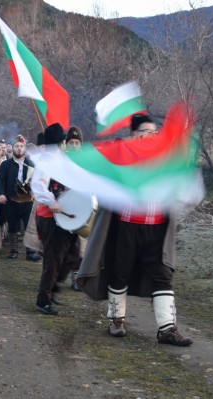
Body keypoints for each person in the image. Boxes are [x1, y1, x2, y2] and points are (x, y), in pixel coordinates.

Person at [77, 114, 193, 346]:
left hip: (157, 230)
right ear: (134, 135)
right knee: (120, 273)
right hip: (126, 227)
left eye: (154, 133)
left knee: (162, 275)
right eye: (144, 133)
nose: (150, 137)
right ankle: (116, 320)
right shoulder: (122, 158)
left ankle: (167, 329)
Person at [31, 123, 81, 315]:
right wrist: (52, 201)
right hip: (50, 217)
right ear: (59, 143)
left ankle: (53, 288)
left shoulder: (61, 160)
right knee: (52, 260)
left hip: (63, 217)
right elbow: (38, 186)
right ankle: (43, 300)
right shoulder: (47, 161)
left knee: (73, 255)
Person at [0, 135, 42, 262]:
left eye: (21, 146)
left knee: (28, 226)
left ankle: (30, 251)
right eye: (17, 146)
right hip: (11, 200)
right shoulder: (6, 165)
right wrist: (0, 194)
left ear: (24, 148)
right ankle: (14, 250)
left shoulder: (31, 163)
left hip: (27, 200)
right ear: (13, 149)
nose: (19, 149)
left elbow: (38, 182)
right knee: (12, 226)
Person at [54, 126, 85, 292]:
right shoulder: (61, 162)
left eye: (77, 142)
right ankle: (57, 277)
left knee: (80, 247)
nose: (74, 145)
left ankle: (76, 278)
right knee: (63, 247)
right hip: (64, 207)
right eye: (71, 142)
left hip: (82, 207)